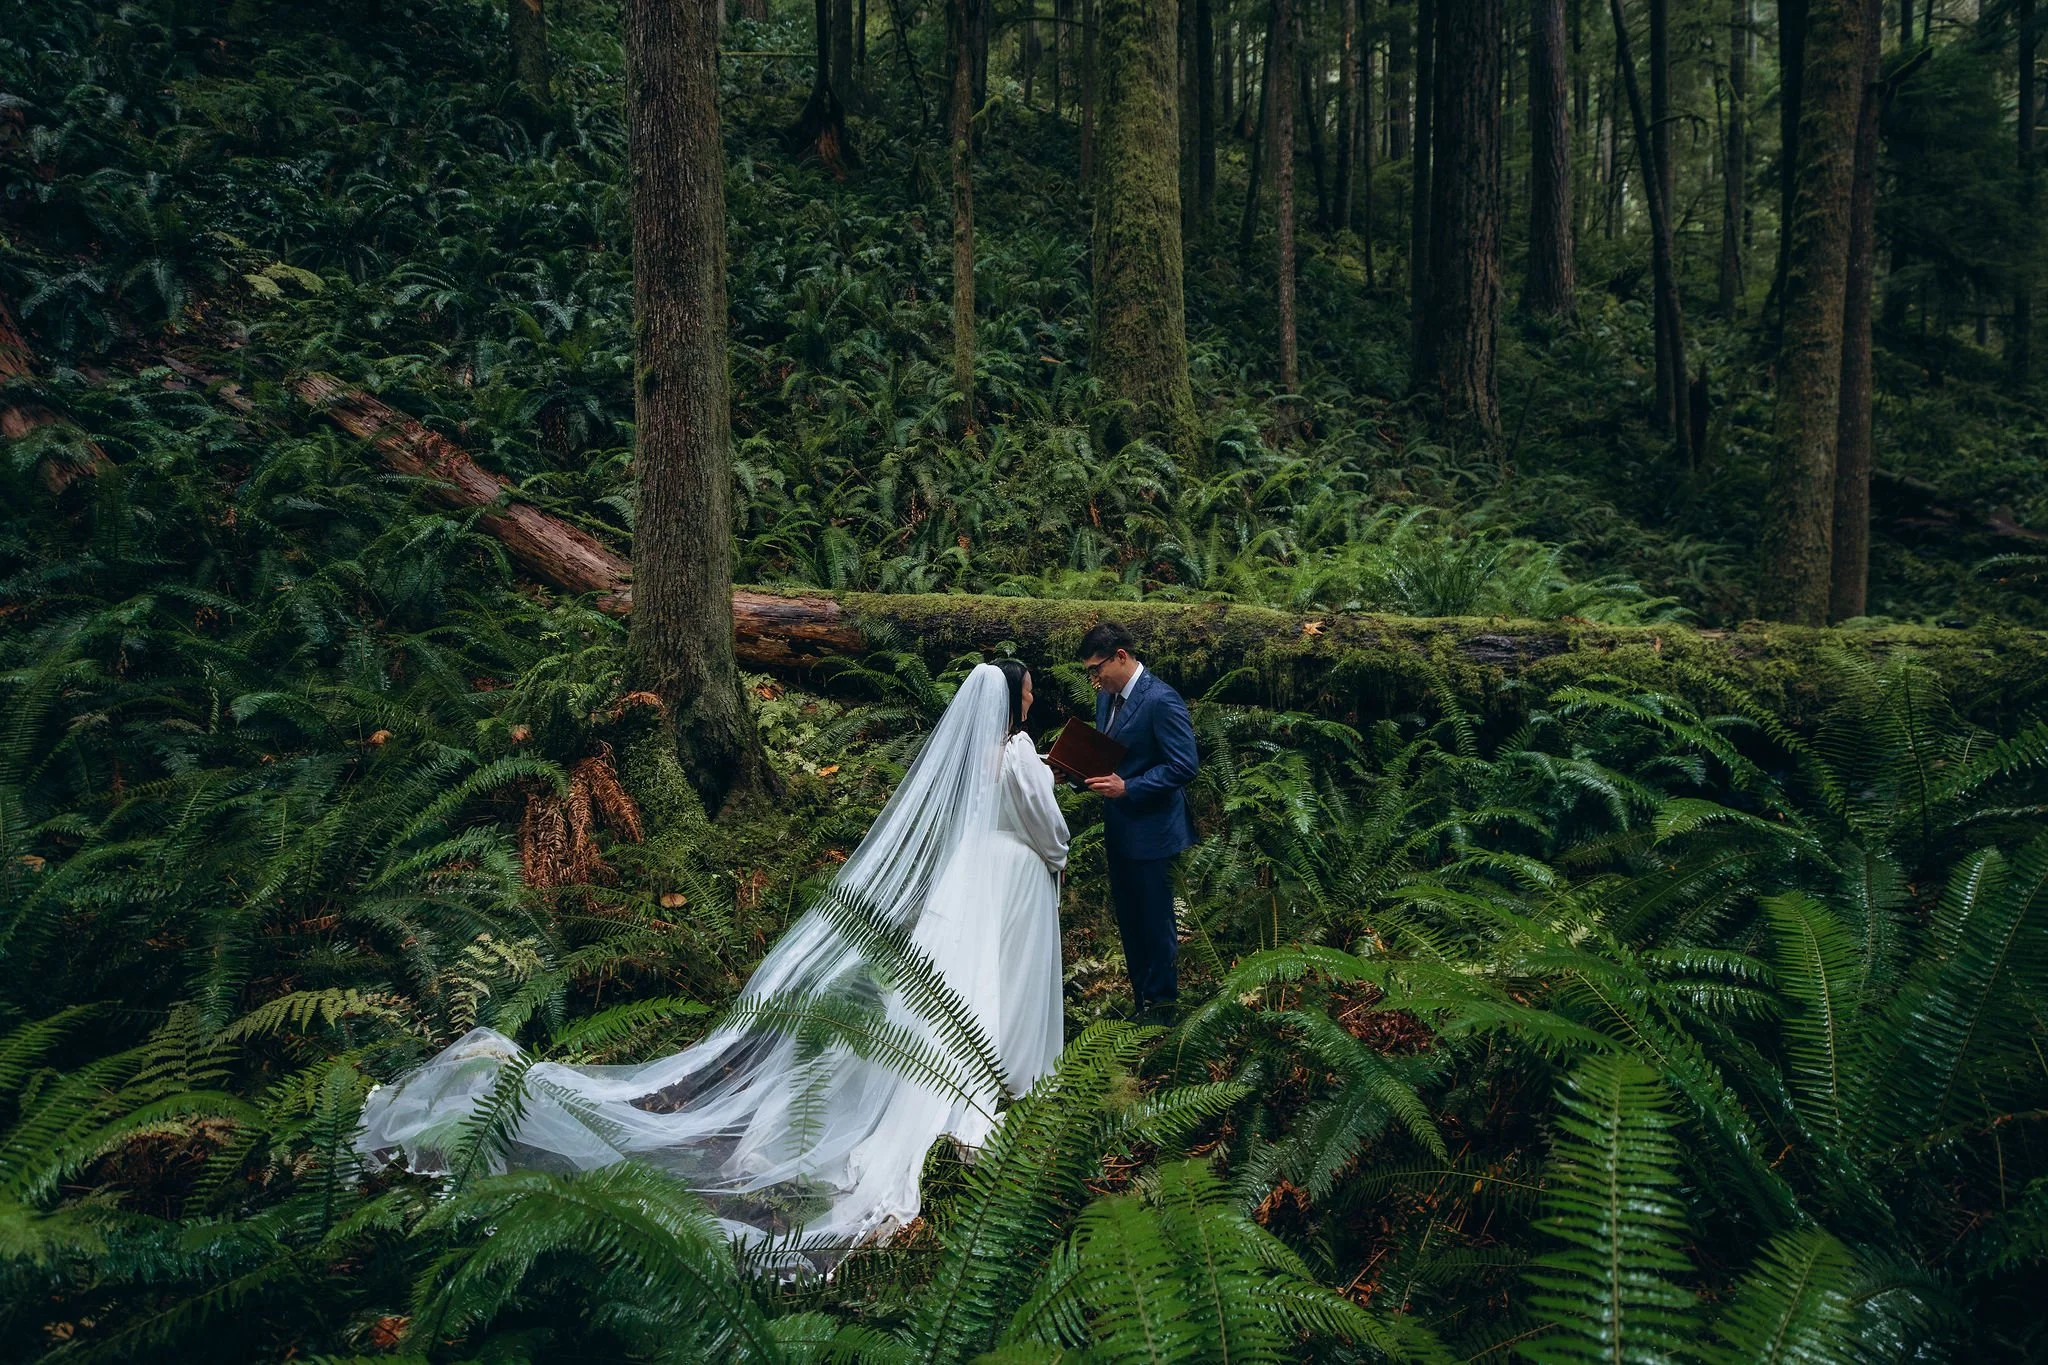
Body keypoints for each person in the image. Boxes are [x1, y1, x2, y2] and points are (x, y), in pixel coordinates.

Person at [355, 662, 1067, 1274]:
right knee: (990, 997)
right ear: (1013, 699)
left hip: (966, 888)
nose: (1032, 700)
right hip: (1007, 887)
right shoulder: (1022, 757)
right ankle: (994, 1099)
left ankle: (955, 1102)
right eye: (1028, 691)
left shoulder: (975, 761)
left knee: (953, 1003)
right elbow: (1052, 831)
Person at [1076, 623, 1198, 1022]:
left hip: (1156, 831)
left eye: (1098, 669)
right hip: (1121, 829)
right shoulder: (1105, 700)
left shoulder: (1161, 700)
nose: (1095, 678)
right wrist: (1070, 769)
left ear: (1122, 657)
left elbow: (1184, 765)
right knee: (1130, 918)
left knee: (1155, 919)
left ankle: (1164, 1008)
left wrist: (1130, 787)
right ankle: (1143, 1001)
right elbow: (1107, 757)